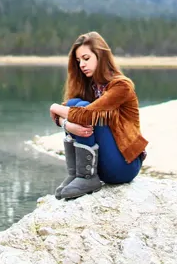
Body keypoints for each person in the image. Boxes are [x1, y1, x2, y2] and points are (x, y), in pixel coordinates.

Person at [46, 31, 147, 200]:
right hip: (103, 164)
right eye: (78, 61)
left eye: (86, 58)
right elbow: (66, 115)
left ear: (100, 56)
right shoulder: (89, 87)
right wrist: (68, 125)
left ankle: (87, 178)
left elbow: (84, 115)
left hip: (125, 165)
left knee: (81, 108)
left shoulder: (121, 86)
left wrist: (55, 107)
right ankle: (77, 174)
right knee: (74, 104)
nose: (82, 65)